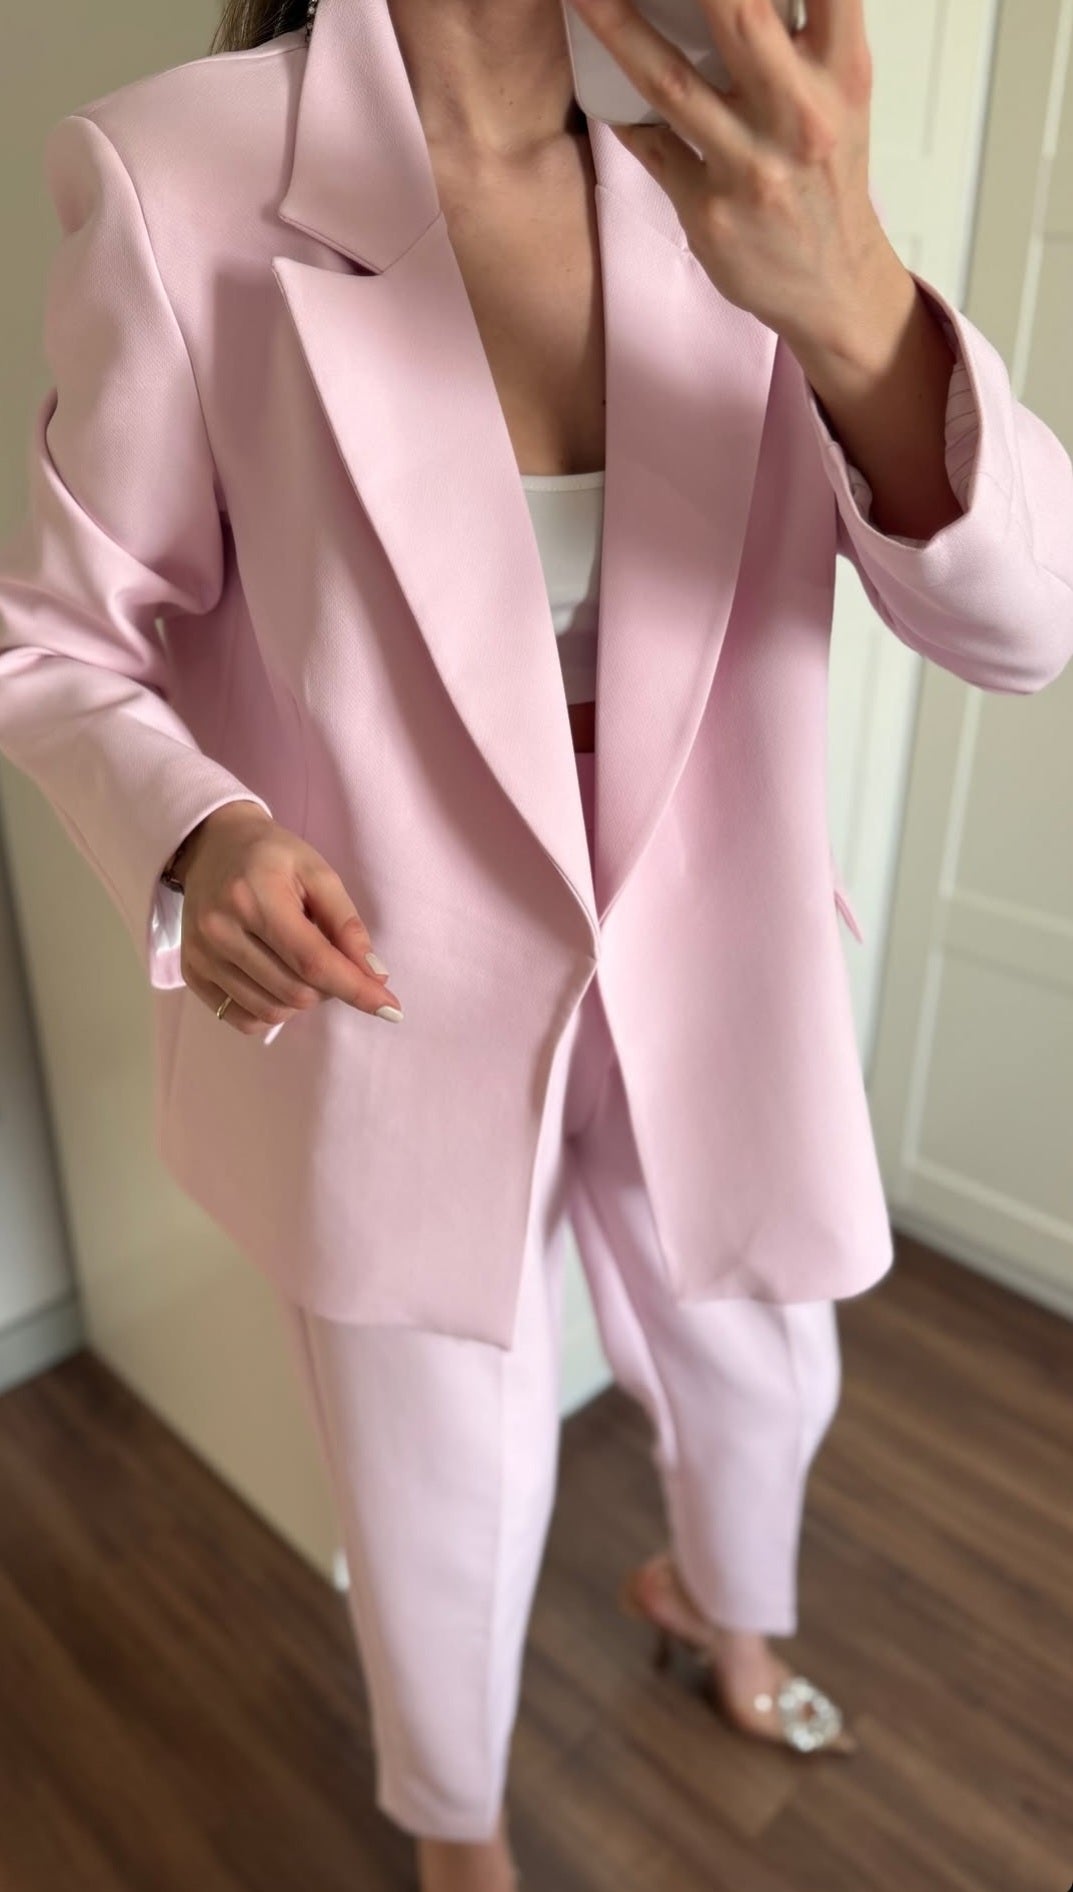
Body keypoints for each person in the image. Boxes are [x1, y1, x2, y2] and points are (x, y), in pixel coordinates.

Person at [1, 0, 1071, 1887]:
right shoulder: (178, 173)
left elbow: (1023, 628)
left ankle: (723, 1611)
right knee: (437, 1478)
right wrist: (196, 831)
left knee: (767, 1377)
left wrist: (855, 305)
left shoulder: (744, 148)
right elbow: (60, 642)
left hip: (713, 969)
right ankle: (457, 1828)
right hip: (380, 995)